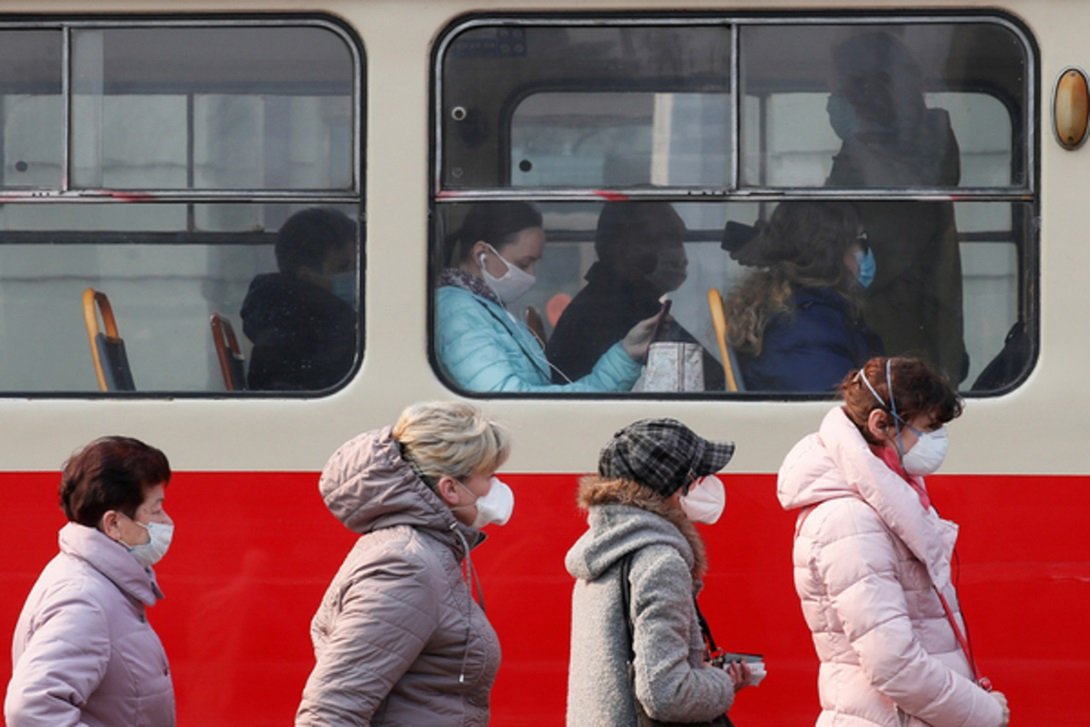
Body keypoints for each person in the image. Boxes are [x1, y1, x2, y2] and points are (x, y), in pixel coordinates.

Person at [777, 356, 1010, 726]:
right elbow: (892, 663)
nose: (937, 441)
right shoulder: (851, 521)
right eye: (928, 428)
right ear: (880, 425)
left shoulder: (886, 504)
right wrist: (983, 712)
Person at [296, 401, 513, 726]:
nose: (495, 487)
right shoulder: (406, 565)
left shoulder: (420, 552)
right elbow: (331, 711)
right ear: (451, 488)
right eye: (488, 476)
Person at [566, 418, 752, 725]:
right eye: (699, 476)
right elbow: (665, 694)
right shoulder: (660, 563)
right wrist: (723, 683)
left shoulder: (599, 551)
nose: (708, 483)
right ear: (672, 488)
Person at [826, 31, 968, 383]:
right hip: (877, 329)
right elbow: (828, 219)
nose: (851, 97)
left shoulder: (931, 136)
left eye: (860, 85)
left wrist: (857, 141)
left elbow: (900, 207)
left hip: (908, 330)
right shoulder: (861, 147)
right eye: (849, 87)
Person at [5, 436, 175, 727]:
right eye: (156, 509)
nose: (166, 521)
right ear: (113, 524)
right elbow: (32, 709)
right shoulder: (84, 599)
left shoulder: (100, 585)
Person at [435, 202, 656, 393]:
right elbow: (511, 401)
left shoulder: (485, 309)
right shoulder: (458, 311)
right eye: (523, 264)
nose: (531, 275)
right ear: (481, 254)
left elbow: (540, 399)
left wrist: (627, 352)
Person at [546, 202, 724, 389]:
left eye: (679, 241)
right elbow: (710, 376)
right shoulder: (609, 308)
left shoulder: (633, 300)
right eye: (663, 240)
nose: (681, 256)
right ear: (620, 246)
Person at [725, 201, 882, 392]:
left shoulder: (808, 312)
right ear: (832, 253)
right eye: (859, 240)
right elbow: (830, 408)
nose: (864, 250)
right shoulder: (810, 328)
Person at [241, 207, 358, 391]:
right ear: (306, 275)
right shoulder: (311, 329)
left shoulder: (282, 315)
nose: (354, 276)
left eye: (356, 267)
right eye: (343, 268)